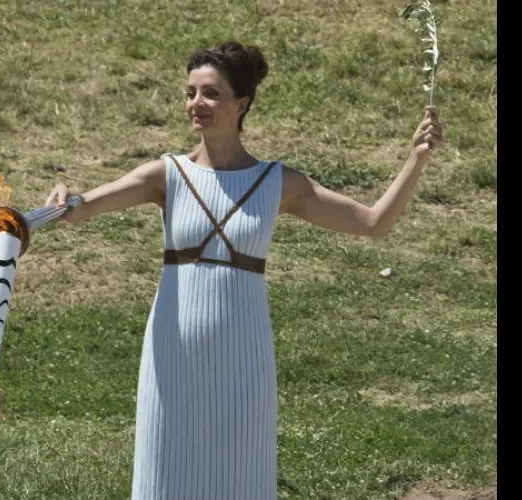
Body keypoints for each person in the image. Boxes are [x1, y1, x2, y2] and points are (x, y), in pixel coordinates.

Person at [44, 41, 442, 499]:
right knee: (164, 473)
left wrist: (417, 159)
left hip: (243, 355)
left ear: (241, 104)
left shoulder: (277, 182)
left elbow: (373, 223)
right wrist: (65, 198)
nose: (197, 104)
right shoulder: (165, 175)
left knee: (240, 474)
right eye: (191, 92)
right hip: (173, 353)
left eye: (211, 94)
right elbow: (84, 207)